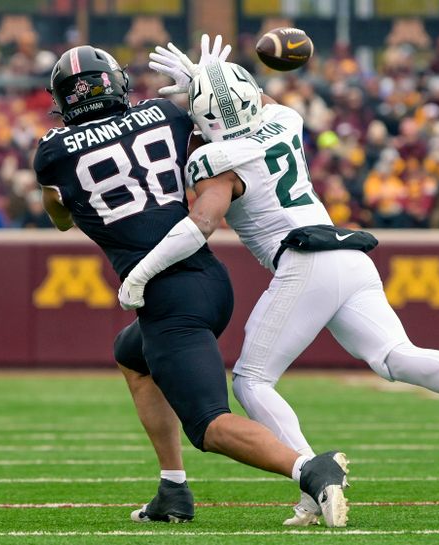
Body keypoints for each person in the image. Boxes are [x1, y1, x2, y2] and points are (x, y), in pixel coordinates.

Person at [118, 54, 439, 526]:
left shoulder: (215, 159)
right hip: (349, 255)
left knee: (253, 382)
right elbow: (259, 102)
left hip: (305, 259)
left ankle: (315, 480)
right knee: (395, 355)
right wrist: (211, 80)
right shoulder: (285, 119)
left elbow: (202, 223)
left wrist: (142, 272)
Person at [35, 42, 350, 527]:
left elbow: (59, 217)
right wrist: (209, 79)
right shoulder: (163, 113)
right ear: (115, 83)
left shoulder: (53, 152)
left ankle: (309, 468)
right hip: (207, 280)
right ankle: (173, 489)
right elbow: (228, 120)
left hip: (166, 295)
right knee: (132, 355)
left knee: (208, 425)